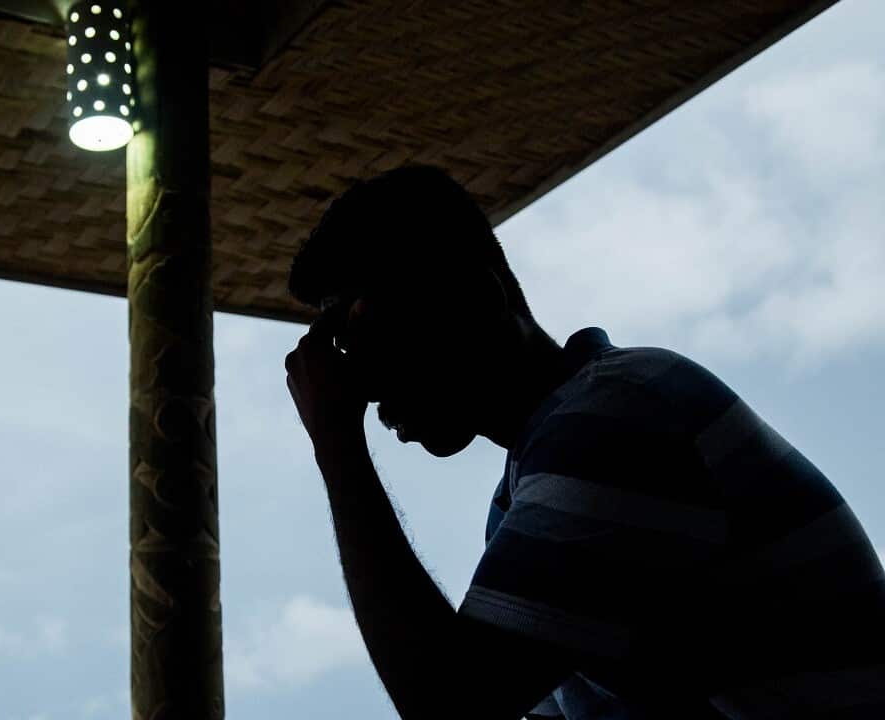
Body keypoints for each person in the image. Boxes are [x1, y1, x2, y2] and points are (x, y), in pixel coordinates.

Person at [283, 165, 885, 719]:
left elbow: (453, 701)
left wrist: (338, 449)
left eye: (361, 331)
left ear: (475, 301)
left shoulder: (618, 416)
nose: (356, 377)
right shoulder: (537, 478)